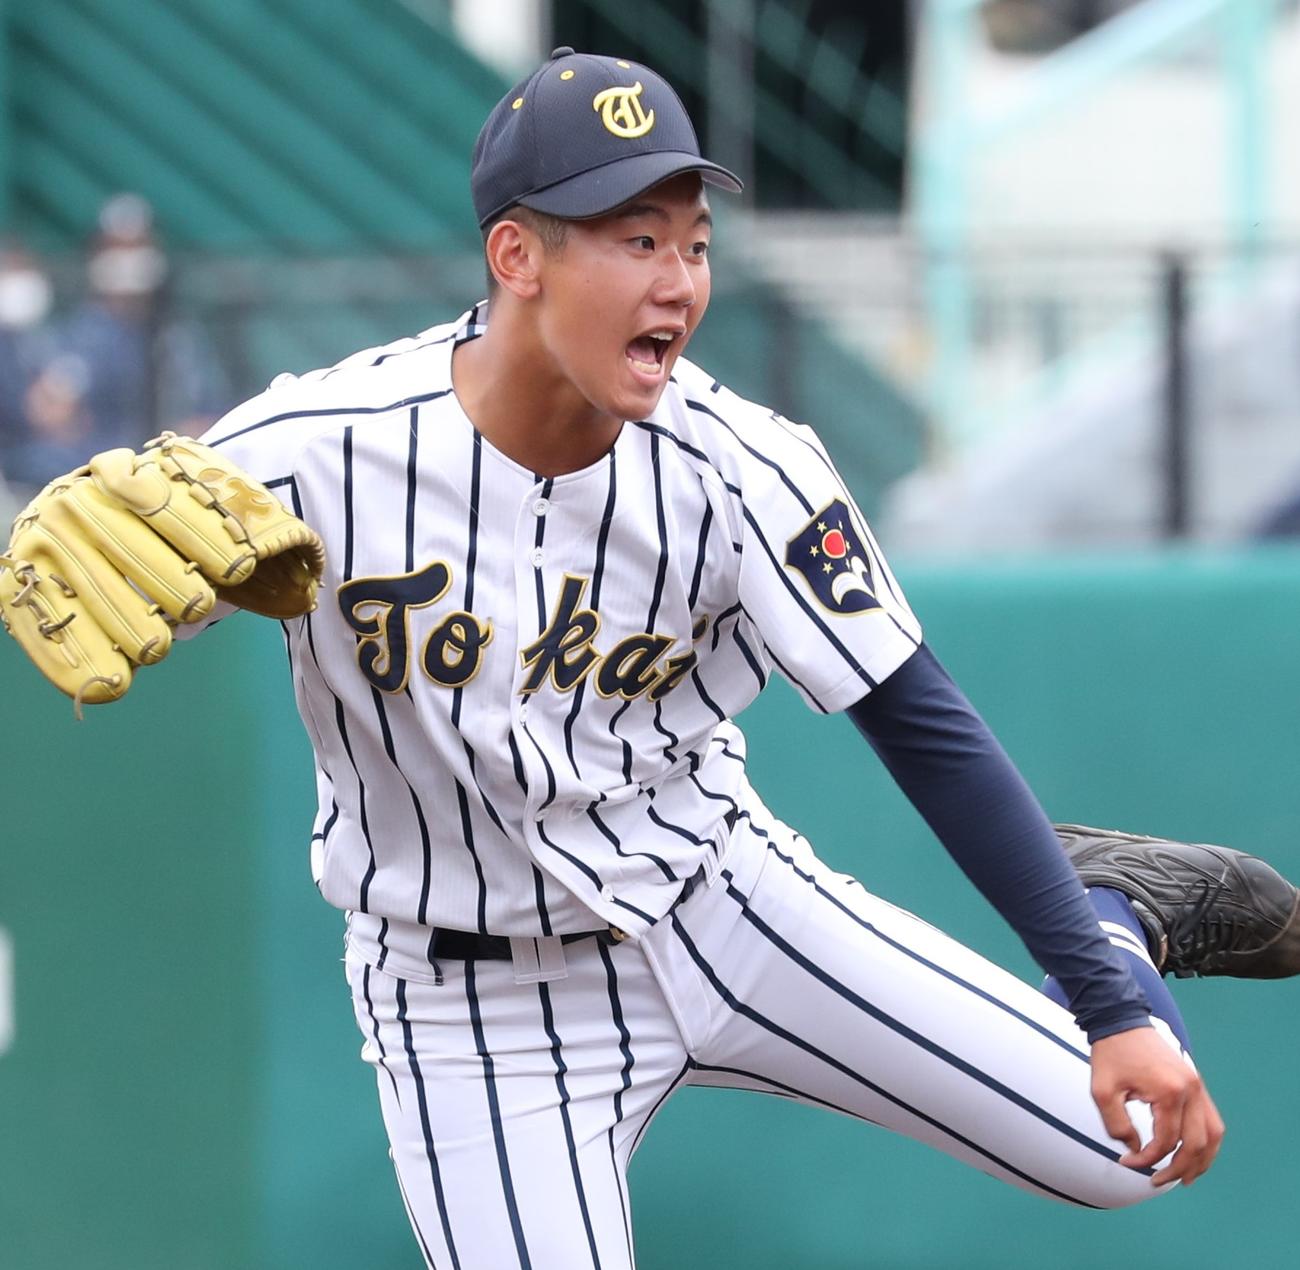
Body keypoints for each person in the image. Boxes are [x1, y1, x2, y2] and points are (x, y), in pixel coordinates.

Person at [12, 49, 1300, 1269]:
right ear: (516, 253)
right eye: (635, 242)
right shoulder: (311, 446)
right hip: (471, 1005)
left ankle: (1124, 908)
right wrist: (87, 561)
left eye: (693, 243)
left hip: (718, 905)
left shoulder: (745, 464)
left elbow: (925, 725)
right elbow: (118, 581)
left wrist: (1110, 999)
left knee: (1124, 1147)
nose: (678, 281)